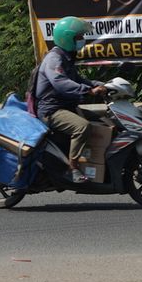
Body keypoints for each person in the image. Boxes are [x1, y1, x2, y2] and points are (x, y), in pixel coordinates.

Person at [33, 16, 107, 184]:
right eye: (79, 37)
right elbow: (61, 83)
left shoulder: (66, 57)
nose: (83, 40)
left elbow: (78, 79)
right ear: (67, 38)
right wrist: (89, 90)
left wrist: (102, 85)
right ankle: (72, 169)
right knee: (82, 127)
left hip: (65, 107)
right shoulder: (54, 59)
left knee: (103, 122)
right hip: (51, 110)